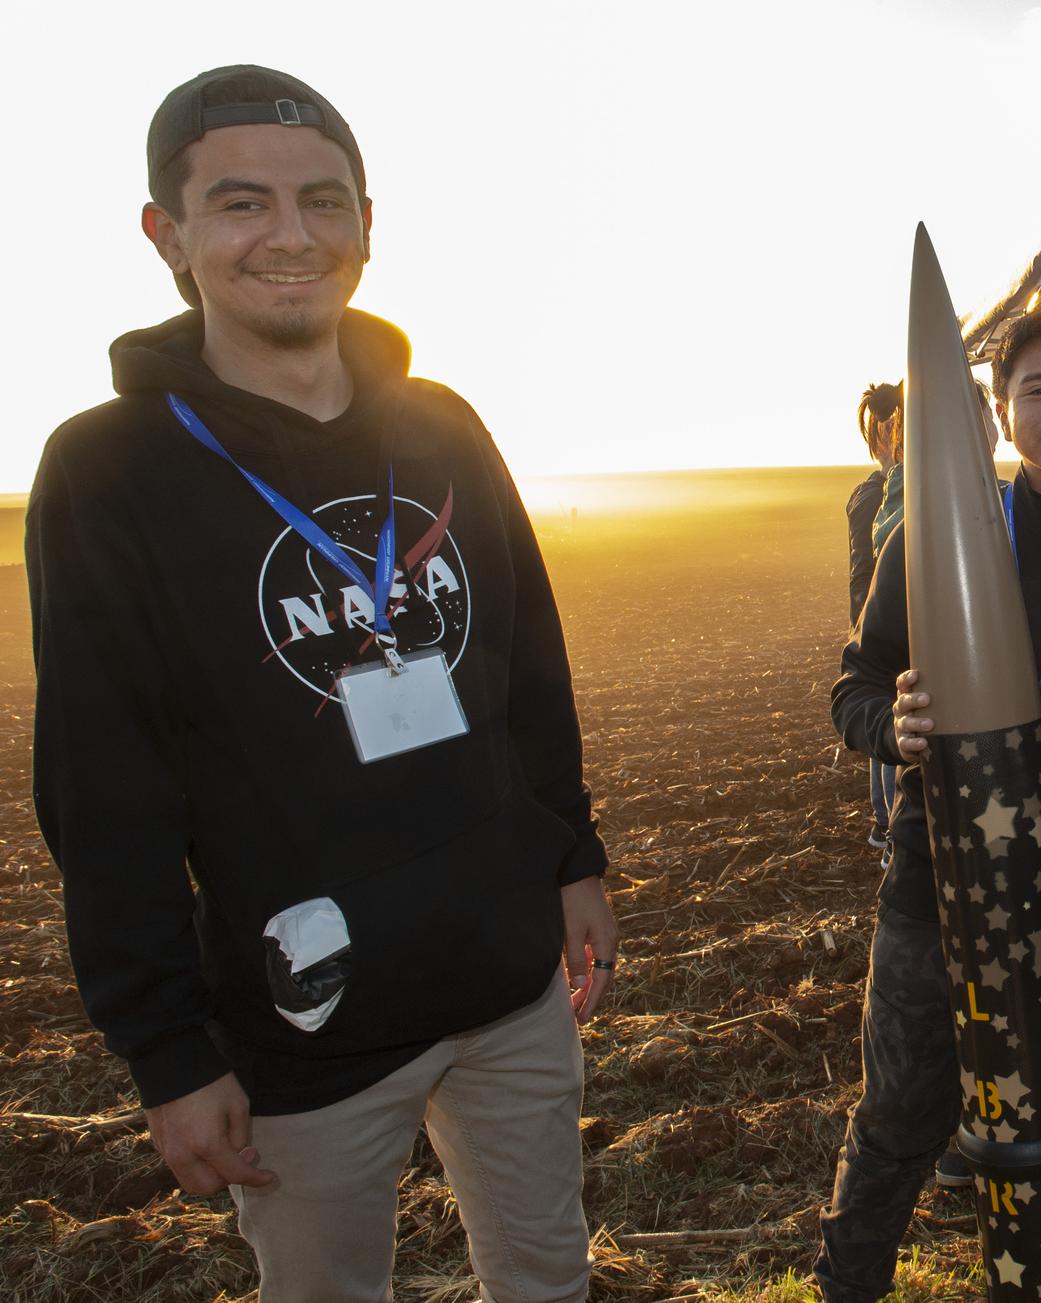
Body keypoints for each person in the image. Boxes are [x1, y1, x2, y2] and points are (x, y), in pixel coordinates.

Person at [26, 66, 616, 1303]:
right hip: (304, 1023)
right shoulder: (108, 470)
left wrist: (572, 856)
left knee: (550, 1280)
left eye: (324, 202)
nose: (292, 237)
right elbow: (104, 781)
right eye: (241, 204)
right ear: (167, 236)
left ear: (366, 225)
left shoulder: (442, 422)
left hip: (510, 983)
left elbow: (525, 664)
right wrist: (167, 1052)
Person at [815, 299, 1041, 1303]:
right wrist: (884, 727)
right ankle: (844, 1285)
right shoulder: (936, 538)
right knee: (895, 1117)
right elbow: (856, 680)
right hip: (932, 888)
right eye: (1036, 389)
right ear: (1001, 408)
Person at [848, 381, 904, 854]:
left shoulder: (873, 492)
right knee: (893, 732)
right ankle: (889, 829)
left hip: (880, 624)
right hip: (886, 626)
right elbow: (864, 571)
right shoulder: (878, 497)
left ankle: (884, 824)